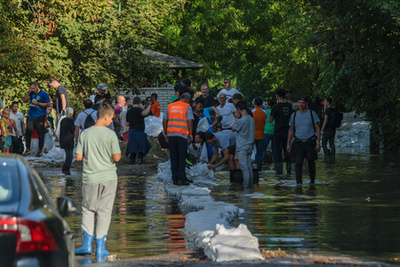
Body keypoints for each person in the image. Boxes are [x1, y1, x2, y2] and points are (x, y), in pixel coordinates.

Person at [75, 104, 121, 259]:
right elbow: (116, 158)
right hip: (108, 178)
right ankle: (101, 247)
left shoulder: (85, 134)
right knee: (104, 211)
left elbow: (78, 157)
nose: (112, 120)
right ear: (106, 117)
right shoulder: (111, 135)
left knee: (88, 210)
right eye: (112, 117)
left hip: (90, 178)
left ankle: (86, 244)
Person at [287, 96, 321, 185]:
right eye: (300, 102)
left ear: (306, 104)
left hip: (311, 141)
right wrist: (288, 143)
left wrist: (318, 143)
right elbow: (291, 130)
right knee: (298, 163)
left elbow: (318, 129)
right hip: (298, 142)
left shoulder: (311, 114)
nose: (301, 104)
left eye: (303, 102)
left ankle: (312, 182)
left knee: (311, 162)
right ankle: (299, 183)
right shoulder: (294, 115)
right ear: (297, 104)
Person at [163, 91, 194, 186]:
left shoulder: (170, 106)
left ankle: (175, 178)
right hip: (182, 134)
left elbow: (164, 120)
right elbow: (189, 121)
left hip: (171, 134)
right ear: (188, 99)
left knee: (174, 156)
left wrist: (166, 133)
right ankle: (181, 179)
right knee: (182, 157)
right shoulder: (187, 107)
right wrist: (191, 133)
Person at [23, 82, 51, 157]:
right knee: (28, 133)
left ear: (37, 86)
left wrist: (38, 103)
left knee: (40, 133)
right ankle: (27, 149)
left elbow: (48, 104)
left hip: (40, 115)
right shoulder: (31, 93)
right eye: (31, 88)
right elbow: (24, 100)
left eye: (33, 88)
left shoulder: (44, 93)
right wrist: (28, 92)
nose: (32, 90)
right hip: (31, 116)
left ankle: (40, 150)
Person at [269, 89, 292, 175]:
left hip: (278, 131)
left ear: (277, 96)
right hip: (288, 130)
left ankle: (279, 173)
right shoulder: (289, 106)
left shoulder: (275, 107)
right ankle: (289, 171)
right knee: (287, 150)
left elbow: (270, 120)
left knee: (278, 151)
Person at [232, 100, 255, 187]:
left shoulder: (242, 120)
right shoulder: (251, 119)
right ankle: (251, 186)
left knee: (244, 168)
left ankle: (246, 186)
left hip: (242, 146)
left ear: (238, 108)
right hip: (250, 145)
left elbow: (233, 129)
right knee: (249, 167)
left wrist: (236, 118)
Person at [126, 97, 152, 165]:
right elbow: (145, 113)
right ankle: (138, 164)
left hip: (132, 132)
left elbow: (127, 123)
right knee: (141, 149)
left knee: (133, 150)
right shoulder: (138, 110)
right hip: (139, 132)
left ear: (132, 103)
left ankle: (131, 164)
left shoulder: (129, 111)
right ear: (140, 103)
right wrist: (150, 105)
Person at [252, 97, 267, 172]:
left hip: (252, 136)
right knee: (260, 154)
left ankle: (251, 169)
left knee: (250, 153)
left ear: (254, 103)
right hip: (261, 135)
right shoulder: (264, 112)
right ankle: (259, 170)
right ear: (262, 104)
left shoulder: (251, 112)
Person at [60, 107, 75, 175]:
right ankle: (66, 168)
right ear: (71, 114)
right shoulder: (70, 121)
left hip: (63, 139)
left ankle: (65, 168)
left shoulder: (62, 120)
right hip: (69, 140)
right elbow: (72, 130)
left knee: (67, 154)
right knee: (70, 156)